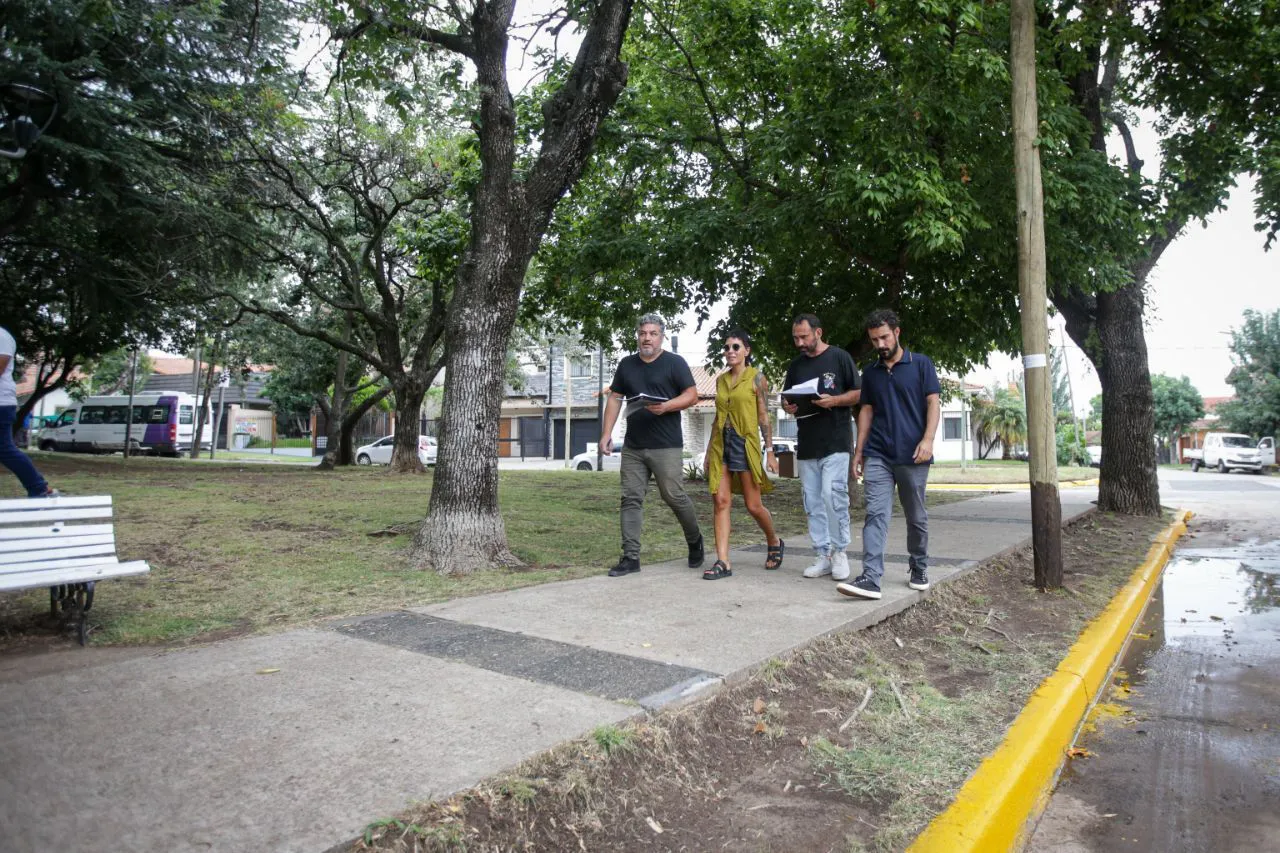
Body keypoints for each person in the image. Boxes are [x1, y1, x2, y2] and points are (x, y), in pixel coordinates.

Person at [838, 309, 941, 601]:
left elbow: (933, 403)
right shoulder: (871, 372)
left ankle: (919, 565)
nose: (880, 344)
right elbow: (866, 411)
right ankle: (871, 578)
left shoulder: (921, 364)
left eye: (884, 337)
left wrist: (928, 440)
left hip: (914, 454)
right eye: (874, 340)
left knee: (916, 516)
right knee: (875, 514)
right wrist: (859, 451)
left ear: (897, 332)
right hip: (878, 453)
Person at [599, 314, 705, 577]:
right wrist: (606, 433)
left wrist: (667, 406)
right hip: (634, 446)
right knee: (630, 498)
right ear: (638, 335)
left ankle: (695, 540)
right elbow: (615, 398)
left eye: (653, 333)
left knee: (673, 496)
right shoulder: (627, 365)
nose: (647, 338)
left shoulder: (674, 363)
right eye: (643, 333)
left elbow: (692, 395)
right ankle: (630, 557)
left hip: (666, 445)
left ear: (662, 337)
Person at [781, 313, 861, 581]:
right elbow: (787, 398)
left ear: (818, 332)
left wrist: (835, 400)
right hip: (807, 443)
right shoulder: (795, 365)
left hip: (836, 442)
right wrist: (788, 406)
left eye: (804, 337)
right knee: (813, 501)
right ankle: (822, 554)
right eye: (795, 338)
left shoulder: (840, 357)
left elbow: (859, 393)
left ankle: (840, 552)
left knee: (832, 496)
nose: (799, 343)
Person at [700, 330, 783, 579]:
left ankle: (774, 540)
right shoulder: (721, 380)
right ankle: (723, 561)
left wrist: (770, 452)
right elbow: (717, 417)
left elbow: (763, 417)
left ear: (747, 350)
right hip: (721, 444)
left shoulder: (757, 378)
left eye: (735, 347)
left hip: (744, 443)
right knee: (720, 502)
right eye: (726, 348)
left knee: (753, 505)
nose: (730, 351)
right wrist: (708, 452)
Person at [0, 325, 59, 498]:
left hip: (1, 403)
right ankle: (38, 487)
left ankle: (39, 487)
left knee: (4, 449)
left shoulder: (2, 336)